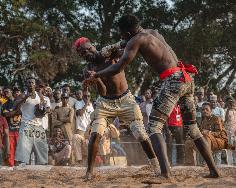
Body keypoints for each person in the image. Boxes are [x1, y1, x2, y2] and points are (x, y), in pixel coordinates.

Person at [87, 14, 219, 178]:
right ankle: (214, 170)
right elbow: (125, 44)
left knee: (153, 127)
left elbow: (118, 67)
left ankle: (165, 173)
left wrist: (97, 75)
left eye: (122, 34)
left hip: (174, 80)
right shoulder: (153, 32)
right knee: (193, 128)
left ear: (127, 33)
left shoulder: (135, 41)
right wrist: (115, 46)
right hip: (186, 78)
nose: (122, 38)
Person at [73, 36, 158, 180]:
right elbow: (103, 92)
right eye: (81, 55)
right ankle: (89, 171)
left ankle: (155, 165)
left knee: (141, 134)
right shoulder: (88, 69)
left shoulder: (109, 54)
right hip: (105, 102)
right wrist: (96, 79)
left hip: (126, 99)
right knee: (95, 134)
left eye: (85, 52)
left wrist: (120, 47)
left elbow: (126, 51)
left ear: (91, 47)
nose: (84, 56)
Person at [14, 77, 49, 165]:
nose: (30, 84)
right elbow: (15, 105)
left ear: (35, 84)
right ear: (26, 84)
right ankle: (23, 166)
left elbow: (43, 107)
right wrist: (24, 98)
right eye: (28, 82)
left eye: (32, 82)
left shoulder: (39, 95)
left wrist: (43, 110)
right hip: (26, 123)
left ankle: (41, 166)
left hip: (38, 124)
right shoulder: (22, 94)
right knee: (24, 148)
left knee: (41, 147)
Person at [73, 90, 94, 164]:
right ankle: (79, 161)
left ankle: (88, 161)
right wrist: (85, 104)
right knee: (75, 137)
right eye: (85, 96)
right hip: (81, 131)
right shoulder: (78, 103)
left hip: (89, 131)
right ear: (82, 97)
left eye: (88, 96)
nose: (87, 98)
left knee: (87, 143)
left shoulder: (92, 105)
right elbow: (80, 113)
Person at [2, 87, 21, 166]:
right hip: (10, 130)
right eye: (4, 92)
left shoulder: (20, 102)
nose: (6, 93)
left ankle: (20, 169)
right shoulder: (4, 104)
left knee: (20, 151)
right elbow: (7, 114)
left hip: (20, 130)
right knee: (10, 150)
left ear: (11, 92)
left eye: (7, 91)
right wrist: (17, 110)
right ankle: (11, 168)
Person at [224, 97, 236, 165]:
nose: (232, 105)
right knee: (229, 147)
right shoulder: (225, 110)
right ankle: (230, 163)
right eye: (230, 104)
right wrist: (228, 109)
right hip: (228, 131)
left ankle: (235, 161)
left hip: (235, 131)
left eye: (233, 104)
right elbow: (225, 120)